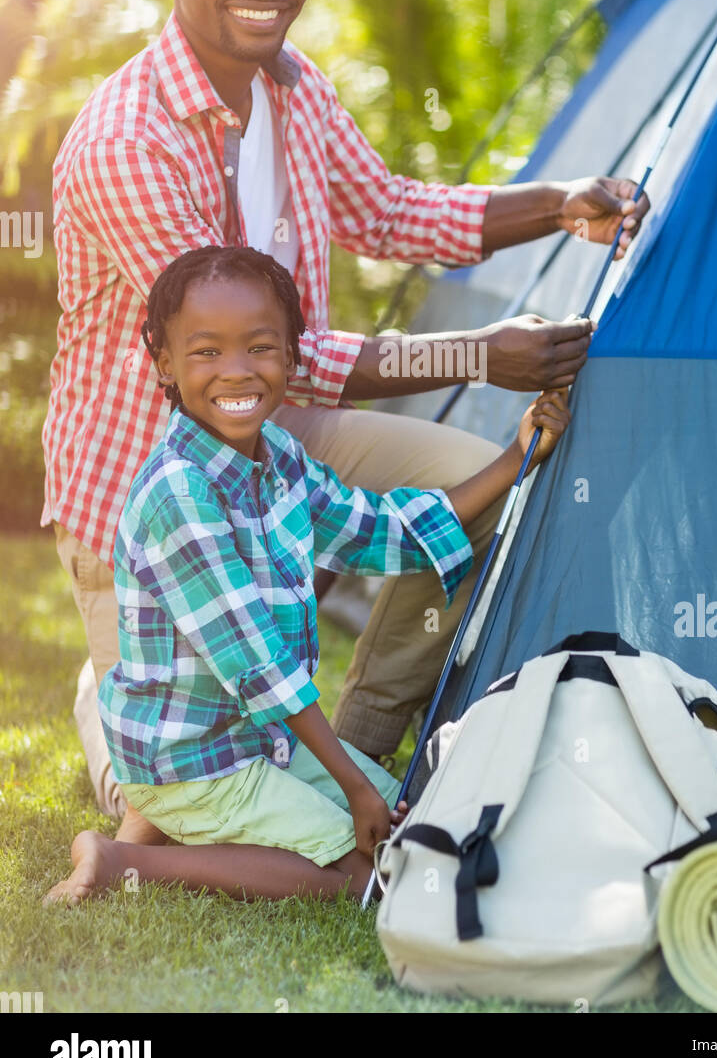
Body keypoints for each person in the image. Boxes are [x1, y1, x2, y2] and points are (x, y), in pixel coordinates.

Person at [42, 0, 647, 839]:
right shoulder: (127, 141)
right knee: (165, 811)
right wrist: (475, 355)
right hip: (151, 494)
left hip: (285, 444)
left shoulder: (294, 89)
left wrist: (557, 202)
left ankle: (361, 736)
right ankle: (109, 720)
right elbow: (244, 352)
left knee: (476, 496)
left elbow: (387, 207)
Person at [45, 246, 570, 906]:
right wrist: (351, 782)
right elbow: (260, 668)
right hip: (189, 763)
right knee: (366, 878)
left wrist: (516, 456)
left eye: (260, 348)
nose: (236, 371)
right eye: (206, 352)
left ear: (292, 359)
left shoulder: (282, 458)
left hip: (258, 744)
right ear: (165, 365)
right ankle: (125, 859)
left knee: (411, 822)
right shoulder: (179, 494)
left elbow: (380, 530)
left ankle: (208, 832)